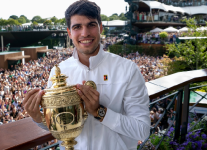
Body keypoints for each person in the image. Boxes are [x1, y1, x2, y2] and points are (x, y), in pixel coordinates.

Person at [23, 0, 150, 149]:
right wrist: (38, 118)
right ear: (69, 32)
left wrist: (100, 112)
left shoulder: (128, 69)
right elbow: (60, 125)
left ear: (100, 27)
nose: (85, 33)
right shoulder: (59, 71)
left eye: (91, 25)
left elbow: (142, 131)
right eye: (77, 27)